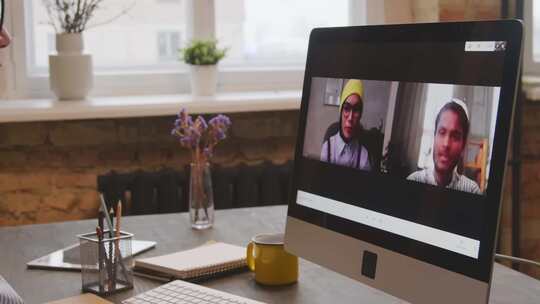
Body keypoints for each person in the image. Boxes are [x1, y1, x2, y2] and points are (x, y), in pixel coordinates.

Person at [407, 100, 481, 194]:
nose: (446, 144)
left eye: (455, 136)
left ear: (463, 146)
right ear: (434, 137)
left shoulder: (472, 190)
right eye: (442, 132)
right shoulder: (414, 180)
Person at [320, 79, 371, 171]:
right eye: (346, 108)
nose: (350, 118)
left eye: (356, 110)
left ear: (360, 115)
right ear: (341, 111)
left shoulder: (364, 156)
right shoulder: (328, 148)